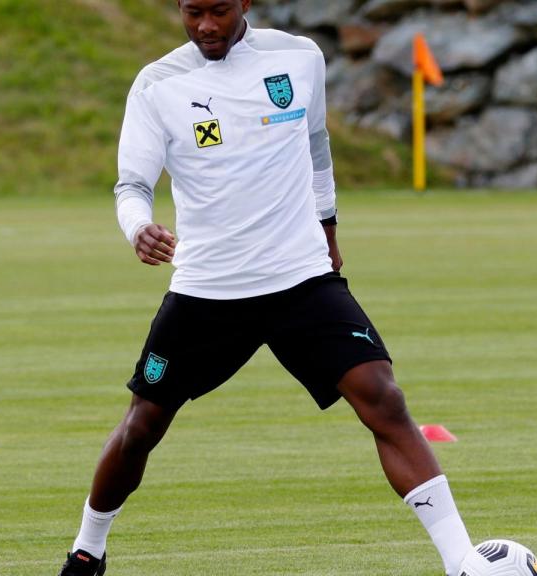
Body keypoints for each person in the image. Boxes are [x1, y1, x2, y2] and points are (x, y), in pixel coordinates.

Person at [58, 1, 473, 574]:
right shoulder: (158, 85)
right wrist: (139, 227)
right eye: (193, 12)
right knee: (142, 427)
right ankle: (88, 547)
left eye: (219, 11)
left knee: (383, 398)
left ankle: (463, 562)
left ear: (245, 3)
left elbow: (316, 147)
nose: (206, 25)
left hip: (300, 279)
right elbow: (131, 184)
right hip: (208, 289)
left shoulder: (299, 58)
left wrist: (328, 228)